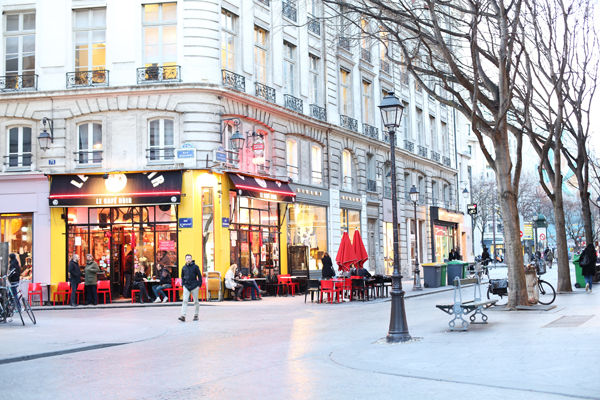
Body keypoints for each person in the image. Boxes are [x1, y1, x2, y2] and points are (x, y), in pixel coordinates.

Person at [179, 254, 202, 322]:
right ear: (185, 260)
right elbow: (182, 276)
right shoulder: (183, 267)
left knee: (196, 301)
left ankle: (196, 315)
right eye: (187, 259)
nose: (188, 260)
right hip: (186, 286)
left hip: (194, 286)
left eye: (190, 258)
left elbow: (199, 276)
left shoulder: (195, 267)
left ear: (191, 259)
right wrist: (183, 284)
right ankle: (183, 316)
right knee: (185, 301)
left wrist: (199, 285)